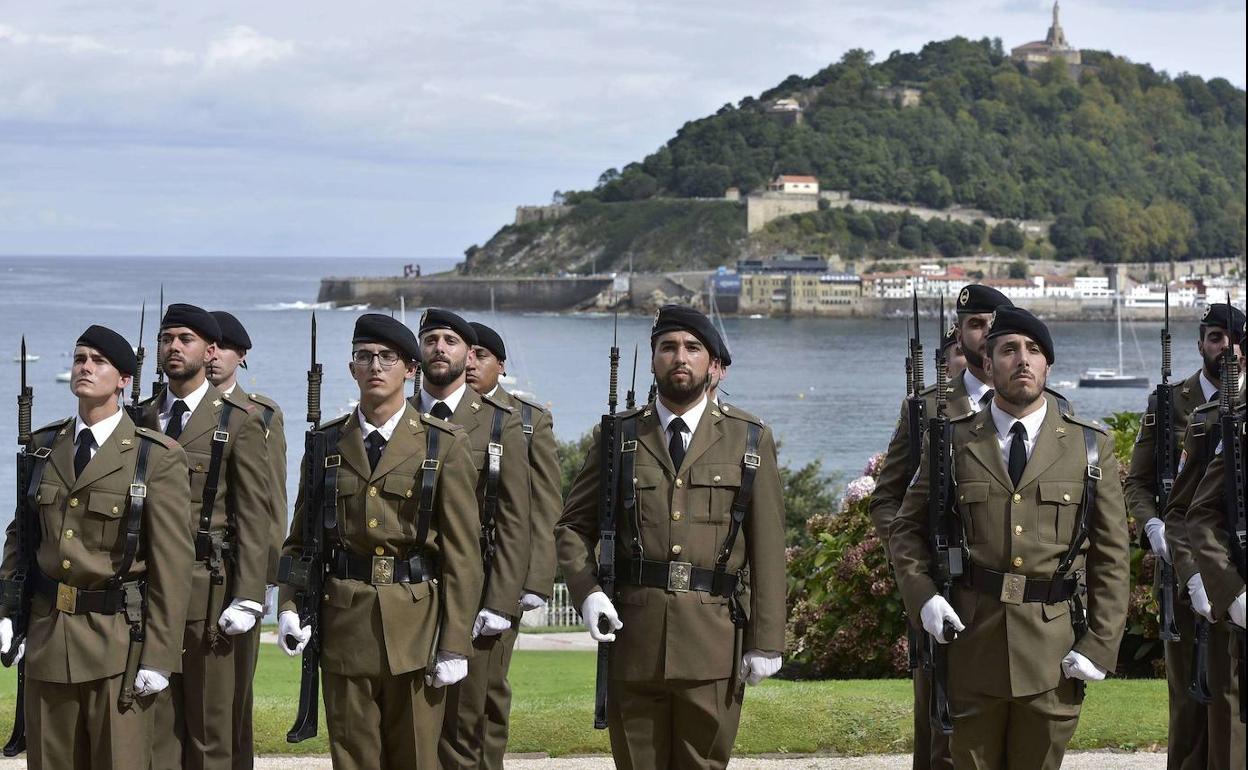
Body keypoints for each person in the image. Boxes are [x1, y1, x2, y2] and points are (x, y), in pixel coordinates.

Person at [889, 306, 1130, 770]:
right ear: (987, 363)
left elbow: (1112, 556)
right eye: (1009, 350)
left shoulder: (1089, 446)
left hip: (1053, 652)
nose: (1023, 359)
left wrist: (1100, 644)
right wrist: (923, 598)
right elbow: (906, 530)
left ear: (1048, 365)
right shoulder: (953, 441)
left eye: (1034, 350)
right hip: (970, 646)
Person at [556, 304, 787, 770]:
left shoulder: (748, 438)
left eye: (692, 348)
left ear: (710, 363)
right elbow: (571, 528)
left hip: (714, 642)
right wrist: (587, 593)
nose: (679, 357)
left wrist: (768, 640)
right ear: (655, 357)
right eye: (668, 347)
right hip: (634, 639)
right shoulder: (618, 436)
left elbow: (767, 547)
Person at [276, 313, 483, 769]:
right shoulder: (326, 443)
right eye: (364, 357)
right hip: (344, 626)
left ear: (411, 369)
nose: (375, 366)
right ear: (351, 368)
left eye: (387, 358)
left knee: (415, 758)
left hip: (416, 628)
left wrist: (453, 643)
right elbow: (299, 541)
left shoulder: (442, 444)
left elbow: (463, 555)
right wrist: (289, 607)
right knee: (353, 760)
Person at [0, 325, 194, 768]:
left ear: (124, 380)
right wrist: (7, 610)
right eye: (80, 359)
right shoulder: (44, 447)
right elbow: (22, 537)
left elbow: (172, 566)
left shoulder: (155, 457)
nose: (86, 368)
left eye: (99, 362)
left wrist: (160, 657)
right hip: (49, 639)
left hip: (117, 646)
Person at [868, 284, 1014, 770]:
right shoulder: (925, 408)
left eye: (996, 324)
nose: (987, 334)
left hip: (1012, 602)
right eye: (976, 324)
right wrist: (918, 571)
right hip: (944, 592)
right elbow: (887, 501)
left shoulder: (1043, 408)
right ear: (961, 334)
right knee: (940, 734)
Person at [139, 303, 272, 770]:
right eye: (166, 338)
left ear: (210, 350)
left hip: (209, 589)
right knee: (154, 729)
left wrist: (249, 595)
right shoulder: (139, 417)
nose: (173, 347)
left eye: (185, 339)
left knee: (211, 732)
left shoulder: (238, 420)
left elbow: (257, 514)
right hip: (146, 591)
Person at [1125, 301, 1244, 770]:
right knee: (1192, 703)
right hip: (1185, 571)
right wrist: (1152, 524)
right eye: (1216, 337)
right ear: (1201, 344)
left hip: (1235, 568)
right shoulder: (1171, 403)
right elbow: (1139, 482)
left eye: (1235, 338)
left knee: (1233, 708)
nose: (1226, 347)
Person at [415, 310, 532, 770]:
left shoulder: (502, 423)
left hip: (480, 592)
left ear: (467, 354)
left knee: (469, 725)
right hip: (414, 593)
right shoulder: (401, 416)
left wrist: (502, 602)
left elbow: (516, 520)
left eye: (450, 340)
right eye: (430, 339)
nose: (440, 347)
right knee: (415, 724)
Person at [457, 320, 562, 768]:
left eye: (482, 356)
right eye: (469, 353)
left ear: (501, 366)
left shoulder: (527, 419)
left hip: (499, 572)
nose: (471, 363)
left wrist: (535, 580)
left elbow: (543, 507)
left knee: (488, 690)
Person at [206, 309, 288, 770]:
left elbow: (270, 502)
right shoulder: (157, 409)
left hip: (236, 569)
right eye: (209, 344)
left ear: (242, 355)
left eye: (224, 347)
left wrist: (260, 580)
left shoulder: (260, 414)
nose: (214, 354)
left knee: (232, 696)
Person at [1178, 311, 1246, 770]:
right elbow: (1193, 512)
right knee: (1227, 721)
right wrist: (1224, 588)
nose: (1229, 349)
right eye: (1218, 338)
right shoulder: (1225, 421)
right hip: (1232, 589)